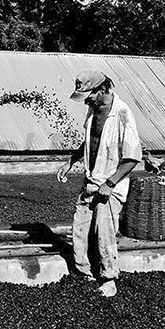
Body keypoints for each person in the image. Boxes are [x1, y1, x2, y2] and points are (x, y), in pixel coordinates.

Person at [56, 70, 142, 297]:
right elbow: (89, 143)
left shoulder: (122, 113)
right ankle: (84, 275)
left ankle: (109, 279)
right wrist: (70, 162)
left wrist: (111, 184)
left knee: (105, 235)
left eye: (89, 95)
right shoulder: (92, 109)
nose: (86, 100)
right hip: (90, 180)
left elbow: (132, 157)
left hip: (110, 186)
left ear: (102, 89)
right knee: (80, 229)